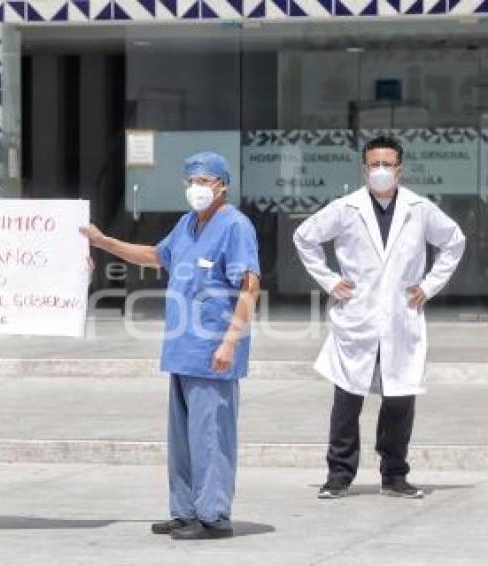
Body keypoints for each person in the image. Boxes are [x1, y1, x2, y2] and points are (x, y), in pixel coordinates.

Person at [81, 152, 261, 541]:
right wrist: (103, 242)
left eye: (205, 180)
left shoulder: (235, 226)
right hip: (183, 350)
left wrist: (230, 342)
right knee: (183, 439)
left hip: (213, 351)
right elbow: (154, 256)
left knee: (210, 436)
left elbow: (250, 286)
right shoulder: (187, 224)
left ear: (223, 184)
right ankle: (184, 511)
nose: (197, 187)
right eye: (191, 180)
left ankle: (213, 515)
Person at [294, 135, 466, 500]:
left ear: (400, 169)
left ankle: (395, 475)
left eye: (388, 164)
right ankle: (339, 475)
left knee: (400, 399)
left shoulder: (420, 209)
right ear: (364, 168)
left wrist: (429, 285)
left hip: (401, 316)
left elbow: (454, 241)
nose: (381, 171)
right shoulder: (346, 207)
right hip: (357, 317)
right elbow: (304, 237)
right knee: (347, 398)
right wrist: (330, 280)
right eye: (375, 164)